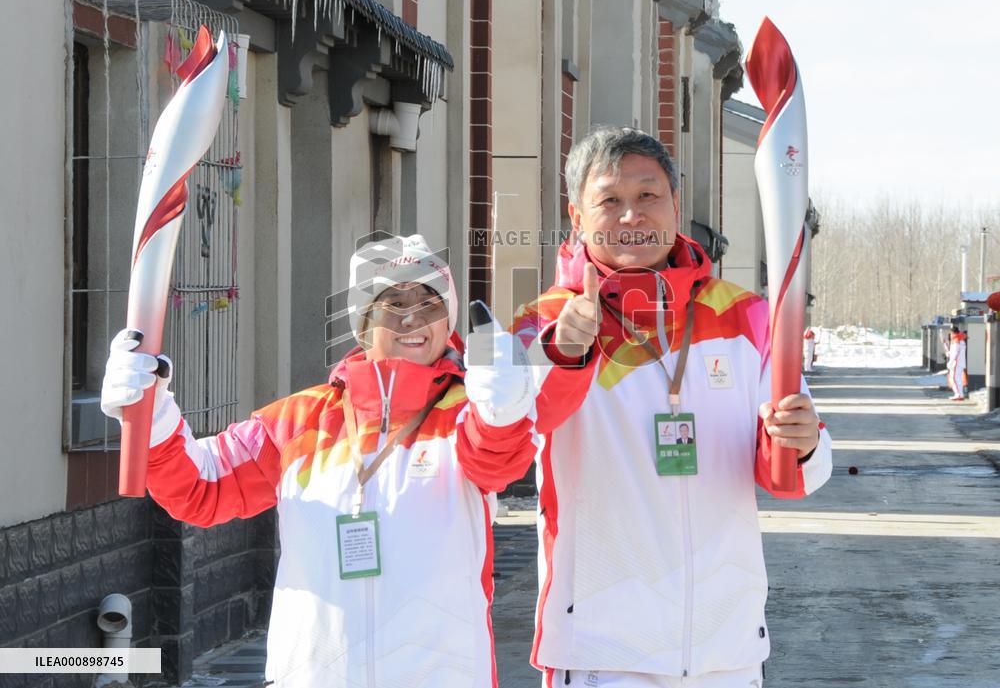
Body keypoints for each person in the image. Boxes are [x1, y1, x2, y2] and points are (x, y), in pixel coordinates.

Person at [100, 234, 537, 687]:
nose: (413, 317)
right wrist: (151, 417)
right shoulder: (298, 421)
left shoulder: (467, 412)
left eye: (430, 302)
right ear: (363, 322)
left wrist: (505, 408)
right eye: (393, 301)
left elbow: (498, 461)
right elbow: (201, 488)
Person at [505, 127, 833, 687]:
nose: (631, 215)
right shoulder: (537, 323)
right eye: (609, 200)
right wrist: (561, 354)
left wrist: (805, 445)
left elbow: (791, 475)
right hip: (602, 651)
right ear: (576, 215)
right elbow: (504, 446)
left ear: (675, 206)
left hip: (725, 645)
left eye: (648, 195)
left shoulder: (747, 317)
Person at [946, 324, 968, 401]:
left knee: (954, 378)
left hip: (956, 363)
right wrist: (950, 353)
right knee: (958, 379)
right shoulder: (961, 340)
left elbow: (955, 353)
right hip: (960, 362)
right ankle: (960, 394)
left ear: (953, 333)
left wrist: (950, 362)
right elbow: (956, 351)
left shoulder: (956, 340)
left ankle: (958, 394)